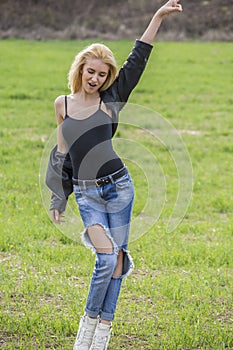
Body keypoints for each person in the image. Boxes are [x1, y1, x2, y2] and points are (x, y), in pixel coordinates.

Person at [46, 1, 183, 349]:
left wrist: (157, 17)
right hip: (88, 193)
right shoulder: (62, 104)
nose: (96, 78)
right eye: (91, 71)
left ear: (108, 77)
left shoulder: (112, 99)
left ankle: (103, 333)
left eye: (102, 74)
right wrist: (58, 197)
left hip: (120, 188)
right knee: (106, 258)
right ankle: (87, 327)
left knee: (118, 260)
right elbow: (63, 154)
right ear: (81, 70)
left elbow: (137, 59)